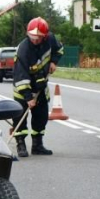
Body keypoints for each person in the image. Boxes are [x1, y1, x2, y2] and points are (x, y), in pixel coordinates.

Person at [11, 17, 64, 158]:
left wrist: (54, 62)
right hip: (23, 90)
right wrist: (28, 97)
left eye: (38, 38)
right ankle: (21, 145)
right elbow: (20, 76)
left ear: (45, 36)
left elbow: (59, 49)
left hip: (41, 87)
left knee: (41, 117)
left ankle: (37, 145)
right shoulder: (23, 49)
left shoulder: (50, 39)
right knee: (19, 118)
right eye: (32, 37)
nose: (34, 40)